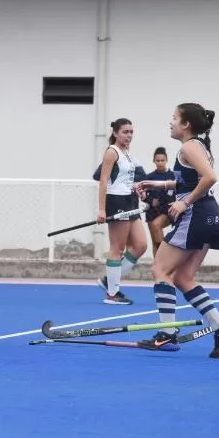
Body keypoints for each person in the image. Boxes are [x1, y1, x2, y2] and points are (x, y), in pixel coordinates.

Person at [135, 103, 219, 358]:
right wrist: (156, 183)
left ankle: (167, 334)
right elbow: (188, 179)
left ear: (186, 124)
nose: (170, 122)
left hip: (196, 214)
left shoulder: (188, 146)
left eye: (174, 118)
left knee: (160, 269)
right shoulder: (199, 146)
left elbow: (210, 177)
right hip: (210, 215)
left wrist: (184, 202)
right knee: (183, 278)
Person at [95, 118, 147, 305]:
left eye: (131, 132)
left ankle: (109, 281)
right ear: (116, 133)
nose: (129, 135)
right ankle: (112, 294)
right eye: (125, 132)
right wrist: (101, 209)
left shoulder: (127, 153)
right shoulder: (112, 152)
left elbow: (126, 179)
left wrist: (137, 189)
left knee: (140, 245)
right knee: (117, 249)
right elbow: (103, 181)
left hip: (130, 200)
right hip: (116, 200)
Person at [143, 146, 175, 255]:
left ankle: (166, 256)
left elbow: (177, 193)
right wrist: (151, 200)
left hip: (166, 211)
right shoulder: (149, 177)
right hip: (151, 212)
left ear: (166, 160)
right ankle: (157, 268)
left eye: (162, 160)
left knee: (156, 225)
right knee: (154, 242)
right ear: (154, 161)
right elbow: (142, 194)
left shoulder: (172, 176)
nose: (160, 163)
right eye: (157, 160)